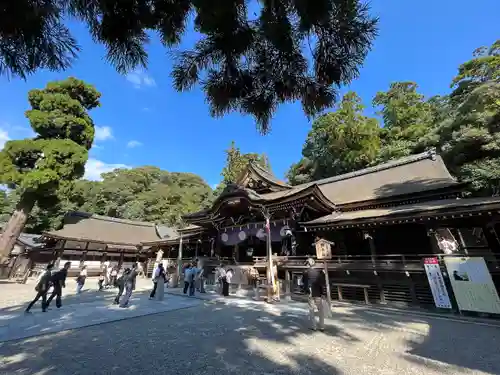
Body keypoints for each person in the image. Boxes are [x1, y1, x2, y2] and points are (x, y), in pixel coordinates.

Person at [302, 258, 326, 331]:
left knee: (311, 310)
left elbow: (304, 282)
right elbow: (321, 284)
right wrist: (322, 293)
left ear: (308, 264)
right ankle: (322, 326)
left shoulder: (306, 273)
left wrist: (305, 291)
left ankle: (314, 326)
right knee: (320, 310)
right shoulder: (319, 272)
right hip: (318, 293)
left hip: (310, 293)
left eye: (307, 264)